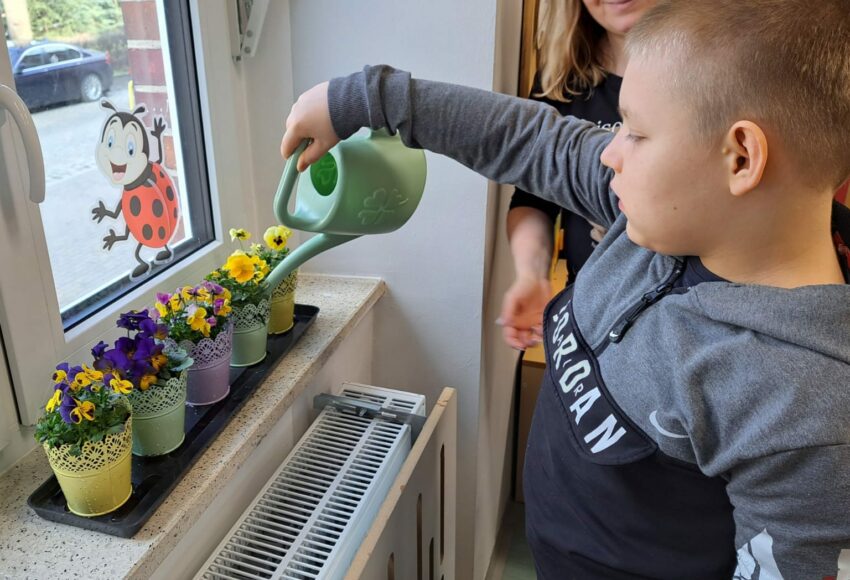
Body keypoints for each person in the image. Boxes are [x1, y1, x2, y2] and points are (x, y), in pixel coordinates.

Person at [280, 0, 850, 576]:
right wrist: (366, 100)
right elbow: (534, 140)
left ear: (741, 157)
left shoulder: (801, 410)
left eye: (636, 133)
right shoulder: (661, 221)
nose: (610, 151)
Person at [504, 0, 657, 351]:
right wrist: (531, 275)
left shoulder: (711, 75)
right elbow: (533, 200)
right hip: (585, 318)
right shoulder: (561, 81)